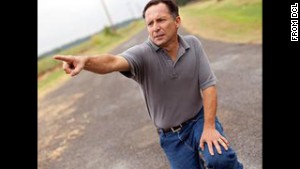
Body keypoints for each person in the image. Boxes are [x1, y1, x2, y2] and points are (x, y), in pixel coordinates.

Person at [53, 0, 243, 168]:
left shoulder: (193, 44)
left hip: (199, 122)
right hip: (171, 137)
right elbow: (111, 62)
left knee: (220, 159)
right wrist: (86, 61)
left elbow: (208, 86)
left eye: (160, 20)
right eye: (150, 23)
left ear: (177, 22)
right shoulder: (142, 54)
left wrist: (209, 127)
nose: (155, 27)